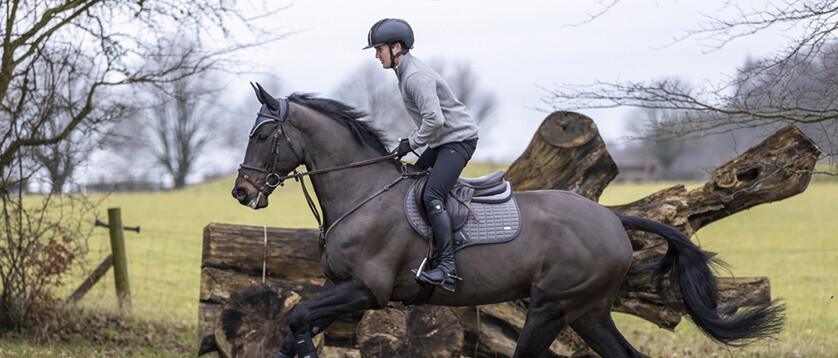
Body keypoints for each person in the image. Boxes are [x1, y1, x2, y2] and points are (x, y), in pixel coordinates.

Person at [363, 18, 479, 292]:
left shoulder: (415, 77)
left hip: (458, 141)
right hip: (443, 141)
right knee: (411, 180)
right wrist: (405, 144)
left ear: (397, 47)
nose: (376, 56)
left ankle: (448, 269)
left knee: (431, 196)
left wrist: (410, 143)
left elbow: (435, 120)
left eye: (379, 49)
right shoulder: (405, 72)